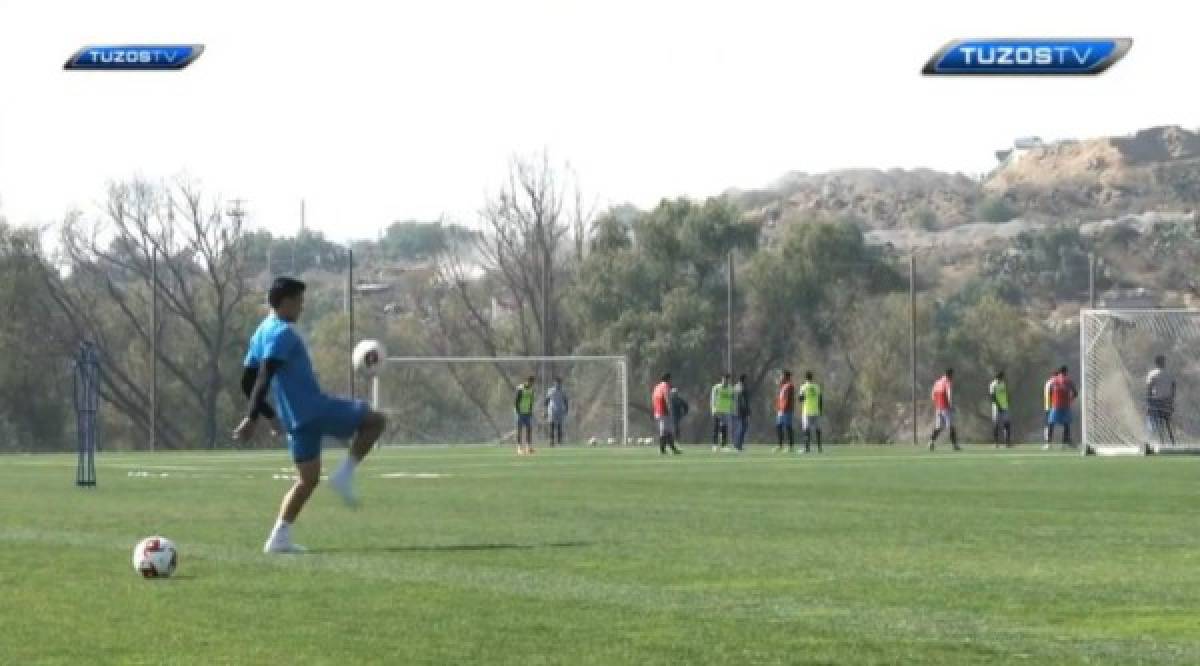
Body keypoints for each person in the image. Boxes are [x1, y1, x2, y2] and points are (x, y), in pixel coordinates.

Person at [234, 277, 387, 554]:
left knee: (307, 480)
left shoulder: (261, 332)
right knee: (376, 421)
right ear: (286, 302)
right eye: (300, 302)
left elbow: (247, 382)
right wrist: (253, 417)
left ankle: (278, 538)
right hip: (313, 409)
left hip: (294, 420)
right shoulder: (283, 334)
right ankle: (344, 474)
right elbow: (265, 375)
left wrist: (268, 416)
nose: (302, 308)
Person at [1146, 355, 1177, 449]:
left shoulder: (1152, 374)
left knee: (1150, 419)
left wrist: (1148, 400)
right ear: (1164, 362)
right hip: (1167, 404)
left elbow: (1149, 388)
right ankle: (1172, 442)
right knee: (1167, 423)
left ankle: (1149, 440)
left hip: (1156, 403)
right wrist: (1171, 401)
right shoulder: (1170, 374)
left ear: (1156, 363)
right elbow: (1173, 387)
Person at [1044, 365, 1078, 449]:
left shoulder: (1054, 380)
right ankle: (1064, 443)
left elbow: (1049, 391)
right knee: (1066, 424)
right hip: (1066, 405)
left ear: (1059, 372)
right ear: (1066, 372)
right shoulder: (1068, 380)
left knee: (1051, 423)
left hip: (1055, 405)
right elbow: (1075, 393)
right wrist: (1070, 399)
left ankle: (1049, 443)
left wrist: (1052, 400)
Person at [929, 368, 960, 451]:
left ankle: (931, 442)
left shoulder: (937, 382)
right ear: (950, 375)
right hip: (946, 407)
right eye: (953, 375)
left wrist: (936, 404)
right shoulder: (948, 382)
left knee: (938, 427)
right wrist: (951, 405)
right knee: (951, 426)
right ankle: (955, 445)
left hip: (938, 407)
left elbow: (932, 395)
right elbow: (949, 394)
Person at [652, 373, 682, 455]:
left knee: (667, 431)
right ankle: (662, 450)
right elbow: (667, 398)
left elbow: (653, 399)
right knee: (665, 431)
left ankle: (672, 449)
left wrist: (655, 410)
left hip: (657, 411)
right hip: (664, 411)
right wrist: (670, 410)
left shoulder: (657, 387)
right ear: (668, 379)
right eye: (670, 379)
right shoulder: (665, 386)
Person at [797, 371, 823, 453]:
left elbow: (800, 399)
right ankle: (819, 448)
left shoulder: (803, 387)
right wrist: (820, 410)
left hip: (807, 411)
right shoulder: (817, 387)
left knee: (806, 430)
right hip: (816, 411)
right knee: (817, 429)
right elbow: (820, 399)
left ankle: (807, 448)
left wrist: (803, 397)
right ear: (812, 377)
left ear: (805, 378)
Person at [710, 374, 734, 452]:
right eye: (724, 379)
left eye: (727, 380)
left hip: (726, 411)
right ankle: (715, 445)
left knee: (724, 428)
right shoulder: (716, 387)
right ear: (722, 379)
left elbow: (731, 399)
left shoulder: (730, 388)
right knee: (716, 428)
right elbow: (713, 399)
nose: (725, 381)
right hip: (717, 410)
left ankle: (724, 446)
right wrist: (713, 409)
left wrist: (731, 408)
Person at [989, 370, 1012, 447]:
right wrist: (998, 406)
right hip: (996, 407)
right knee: (996, 424)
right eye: (1002, 377)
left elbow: (1006, 394)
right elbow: (992, 396)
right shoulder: (993, 385)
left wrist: (1008, 402)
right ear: (999, 377)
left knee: (1007, 424)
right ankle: (996, 443)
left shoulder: (1003, 384)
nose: (1003, 378)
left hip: (1005, 406)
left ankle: (1007, 443)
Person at [775, 370, 796, 453]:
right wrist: (778, 407)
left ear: (786, 376)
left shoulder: (790, 386)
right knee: (778, 427)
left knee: (788, 427)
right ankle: (780, 445)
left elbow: (787, 399)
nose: (781, 377)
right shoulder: (782, 386)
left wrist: (784, 408)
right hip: (780, 410)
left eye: (782, 376)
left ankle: (790, 446)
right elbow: (780, 398)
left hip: (787, 410)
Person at [515, 375, 536, 455]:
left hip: (527, 413)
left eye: (532, 383)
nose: (531, 384)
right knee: (519, 430)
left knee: (529, 429)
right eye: (531, 382)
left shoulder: (531, 390)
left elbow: (531, 401)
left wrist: (530, 410)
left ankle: (528, 447)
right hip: (520, 412)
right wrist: (518, 411)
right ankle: (519, 448)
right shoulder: (520, 389)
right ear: (527, 381)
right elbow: (516, 401)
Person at [544, 377, 569, 447]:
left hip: (560, 411)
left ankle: (559, 442)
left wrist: (566, 409)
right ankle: (551, 441)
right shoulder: (550, 390)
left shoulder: (563, 391)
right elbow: (547, 400)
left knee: (559, 426)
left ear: (561, 383)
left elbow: (566, 400)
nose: (558, 384)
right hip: (552, 410)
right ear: (554, 383)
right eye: (556, 383)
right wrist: (545, 410)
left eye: (559, 383)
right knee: (551, 426)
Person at [733, 374, 751, 451]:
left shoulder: (735, 387)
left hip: (736, 410)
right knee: (743, 427)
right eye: (746, 379)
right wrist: (748, 412)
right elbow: (744, 402)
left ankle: (737, 444)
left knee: (740, 427)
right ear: (744, 379)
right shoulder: (742, 388)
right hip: (742, 411)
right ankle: (738, 445)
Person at [1043, 368, 1058, 443]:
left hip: (1047, 406)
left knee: (1048, 423)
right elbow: (1052, 394)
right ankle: (1048, 440)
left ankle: (1047, 439)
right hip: (1051, 406)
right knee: (1050, 423)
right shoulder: (1053, 383)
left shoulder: (1048, 382)